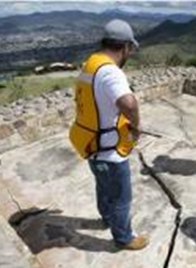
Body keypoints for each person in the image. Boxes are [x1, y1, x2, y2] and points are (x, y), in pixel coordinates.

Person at [69, 19, 148, 251]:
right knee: (121, 198)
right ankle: (124, 238)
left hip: (90, 144)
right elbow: (129, 103)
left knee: (103, 187)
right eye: (130, 49)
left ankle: (106, 218)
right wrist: (136, 126)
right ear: (125, 47)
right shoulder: (111, 72)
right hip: (110, 151)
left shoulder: (90, 64)